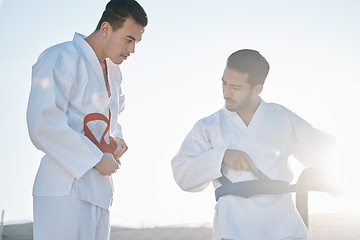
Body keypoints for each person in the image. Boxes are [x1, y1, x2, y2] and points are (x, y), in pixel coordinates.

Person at [171, 49, 335, 240]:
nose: (226, 92)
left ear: (257, 89)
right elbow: (183, 175)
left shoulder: (282, 117)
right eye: (224, 83)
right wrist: (221, 156)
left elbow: (329, 149)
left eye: (236, 87)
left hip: (283, 226)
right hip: (234, 228)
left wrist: (317, 169)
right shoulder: (208, 126)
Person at [26, 0, 147, 239]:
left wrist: (116, 141)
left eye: (137, 42)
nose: (132, 50)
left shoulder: (114, 72)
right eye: (128, 39)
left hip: (99, 192)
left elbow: (111, 120)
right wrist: (94, 158)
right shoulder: (60, 56)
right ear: (105, 29)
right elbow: (42, 122)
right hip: (64, 189)